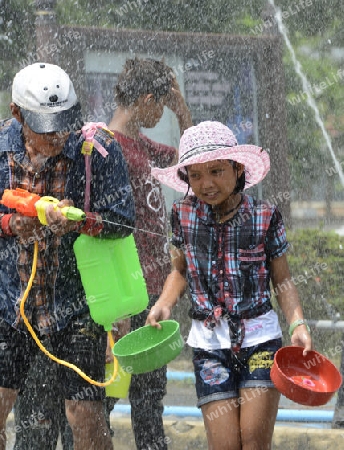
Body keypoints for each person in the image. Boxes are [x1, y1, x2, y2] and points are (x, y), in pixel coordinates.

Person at [146, 121, 312, 450]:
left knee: (252, 442)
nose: (206, 184)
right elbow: (179, 270)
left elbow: (283, 279)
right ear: (186, 179)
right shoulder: (182, 215)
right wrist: (164, 303)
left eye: (216, 171)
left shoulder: (265, 216)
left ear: (238, 170)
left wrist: (297, 322)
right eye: (195, 175)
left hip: (260, 341)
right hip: (209, 345)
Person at [0, 62, 135, 450]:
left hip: (76, 305)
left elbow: (123, 222)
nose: (59, 135)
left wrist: (80, 221)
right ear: (17, 114)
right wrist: (13, 226)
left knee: (86, 419)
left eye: (65, 121)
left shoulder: (98, 151)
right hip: (11, 302)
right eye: (46, 126)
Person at [105, 57, 192, 449]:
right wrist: (112, 310)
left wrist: (181, 108)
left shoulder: (140, 143)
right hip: (124, 296)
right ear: (144, 98)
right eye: (161, 104)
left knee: (148, 400)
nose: (162, 113)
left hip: (153, 293)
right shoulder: (105, 146)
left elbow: (193, 163)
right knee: (103, 398)